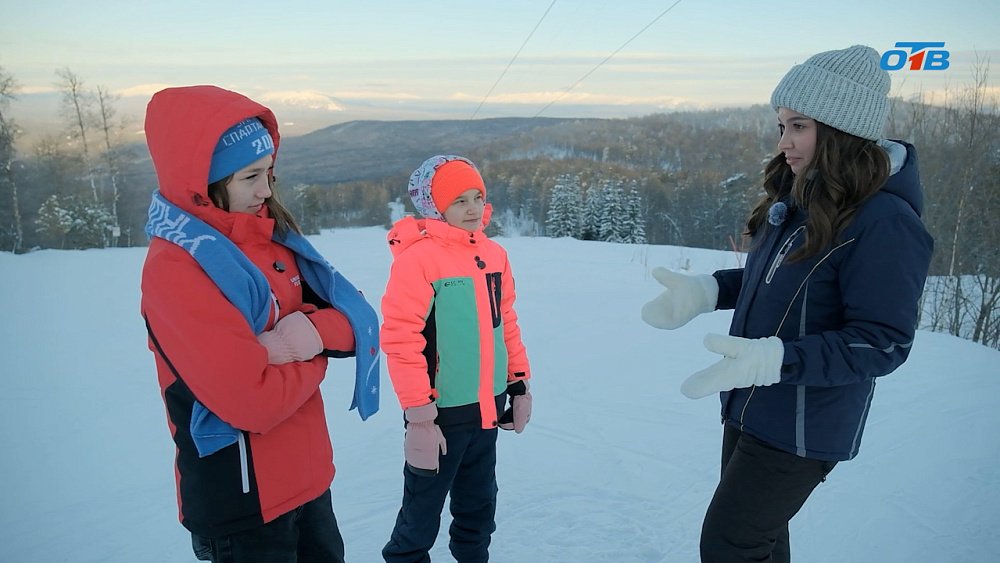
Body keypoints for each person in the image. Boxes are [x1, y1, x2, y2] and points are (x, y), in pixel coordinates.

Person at [641, 45, 934, 562]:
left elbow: (883, 341)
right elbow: (779, 281)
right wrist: (711, 290)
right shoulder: (804, 195)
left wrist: (777, 359)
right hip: (749, 404)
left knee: (731, 544)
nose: (783, 142)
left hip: (804, 423)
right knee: (762, 541)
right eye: (781, 126)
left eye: (798, 126)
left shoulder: (885, 221)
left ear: (841, 129)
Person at [140, 85, 380, 563]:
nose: (266, 191)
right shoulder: (177, 269)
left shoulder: (273, 240)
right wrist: (314, 354)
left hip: (309, 482)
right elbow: (253, 401)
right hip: (244, 505)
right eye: (250, 177)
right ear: (203, 183)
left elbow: (359, 321)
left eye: (269, 174)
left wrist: (300, 338)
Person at [380, 155, 533, 563]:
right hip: (439, 411)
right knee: (422, 509)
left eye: (477, 197)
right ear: (435, 206)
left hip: (488, 405)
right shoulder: (419, 259)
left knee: (479, 505)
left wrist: (517, 380)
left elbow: (507, 322)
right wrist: (419, 412)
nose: (472, 208)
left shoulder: (495, 255)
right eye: (459, 200)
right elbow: (400, 338)